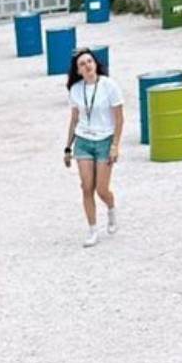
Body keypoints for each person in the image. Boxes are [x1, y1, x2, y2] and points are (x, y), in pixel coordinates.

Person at [64, 48, 124, 247]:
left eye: (89, 61)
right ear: (78, 70)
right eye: (82, 64)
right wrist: (67, 148)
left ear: (96, 64)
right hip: (83, 141)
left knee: (101, 189)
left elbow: (119, 118)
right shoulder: (75, 90)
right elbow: (74, 120)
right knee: (86, 187)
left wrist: (115, 145)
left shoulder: (109, 86)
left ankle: (111, 207)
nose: (87, 66)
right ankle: (92, 230)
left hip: (105, 140)